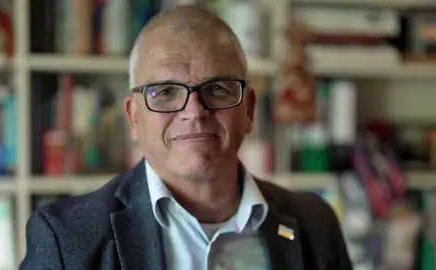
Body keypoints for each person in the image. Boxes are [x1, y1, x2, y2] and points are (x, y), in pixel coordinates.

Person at [21, 5, 352, 270]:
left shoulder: (315, 224)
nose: (194, 111)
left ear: (249, 110)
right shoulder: (65, 239)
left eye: (218, 89)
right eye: (165, 91)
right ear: (134, 117)